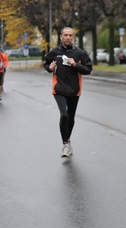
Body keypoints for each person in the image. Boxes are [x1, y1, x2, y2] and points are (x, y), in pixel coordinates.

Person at [43, 27, 92, 157]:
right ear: (61, 37)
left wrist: (75, 65)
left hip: (74, 90)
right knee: (64, 115)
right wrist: (50, 68)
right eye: (66, 35)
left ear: (73, 37)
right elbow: (46, 64)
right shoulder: (54, 52)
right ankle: (65, 144)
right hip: (58, 89)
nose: (68, 37)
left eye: (70, 35)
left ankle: (67, 141)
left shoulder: (79, 53)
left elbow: (88, 69)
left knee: (70, 117)